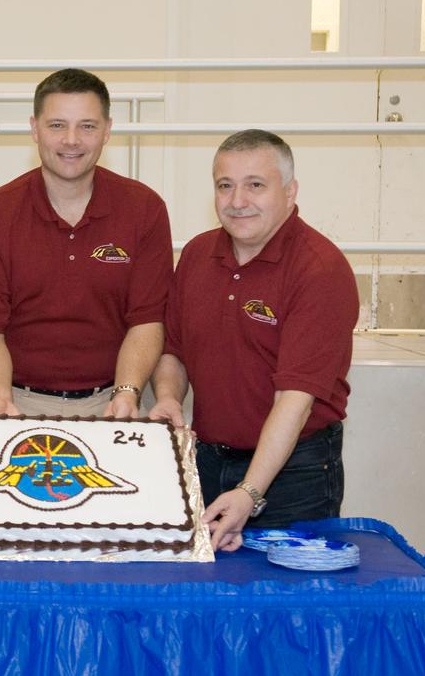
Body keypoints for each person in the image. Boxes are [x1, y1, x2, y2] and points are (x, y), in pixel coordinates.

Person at [150, 130, 359, 552]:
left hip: (294, 475)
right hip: (205, 462)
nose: (237, 200)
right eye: (225, 186)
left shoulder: (320, 270)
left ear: (290, 190)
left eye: (255, 185)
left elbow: (295, 402)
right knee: (208, 602)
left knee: (294, 608)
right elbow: (174, 349)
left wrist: (250, 493)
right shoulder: (196, 255)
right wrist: (169, 397)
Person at [0, 68, 173, 418]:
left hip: (117, 398)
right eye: (57, 125)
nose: (72, 140)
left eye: (87, 126)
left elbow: (147, 320)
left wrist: (126, 394)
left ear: (107, 131)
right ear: (35, 128)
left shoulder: (145, 209)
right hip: (16, 402)